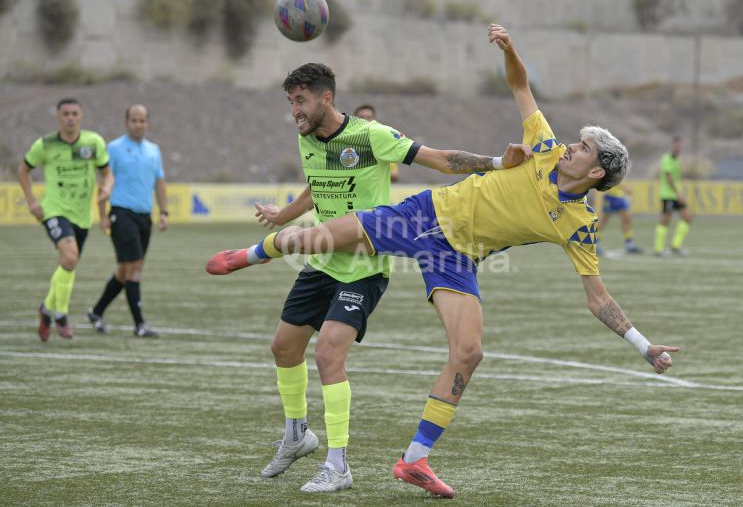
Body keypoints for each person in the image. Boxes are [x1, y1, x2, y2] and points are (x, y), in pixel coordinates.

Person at [205, 26, 680, 498]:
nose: (571, 147)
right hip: (426, 216)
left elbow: (598, 299)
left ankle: (414, 460)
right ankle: (248, 256)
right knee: (319, 239)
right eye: (576, 141)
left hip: (458, 259)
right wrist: (511, 51)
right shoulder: (543, 147)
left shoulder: (579, 225)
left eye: (583, 149)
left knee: (470, 353)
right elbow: (521, 86)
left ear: (595, 172)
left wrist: (643, 346)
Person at [207, 63, 531, 494]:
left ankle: (338, 465)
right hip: (321, 262)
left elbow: (439, 159)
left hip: (363, 268)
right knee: (283, 348)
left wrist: (495, 163)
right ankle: (296, 435)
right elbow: (315, 186)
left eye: (300, 101)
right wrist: (283, 216)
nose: (294, 111)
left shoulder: (371, 135)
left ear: (326, 98)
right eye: (290, 103)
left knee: (327, 357)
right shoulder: (306, 139)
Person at [18, 98, 114, 341]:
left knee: (69, 263)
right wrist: (32, 201)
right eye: (66, 114)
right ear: (58, 117)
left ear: (81, 116)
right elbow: (24, 169)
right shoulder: (45, 144)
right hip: (54, 209)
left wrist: (107, 188)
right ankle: (61, 314)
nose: (70, 118)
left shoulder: (93, 142)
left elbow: (107, 173)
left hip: (82, 215)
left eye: (74, 113)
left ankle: (46, 308)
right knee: (70, 256)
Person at [86, 104, 167, 338]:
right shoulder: (114, 148)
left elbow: (159, 183)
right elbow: (104, 181)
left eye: (142, 120)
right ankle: (140, 325)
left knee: (124, 270)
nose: (138, 124)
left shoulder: (154, 150)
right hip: (121, 213)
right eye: (134, 120)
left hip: (144, 217)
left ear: (148, 123)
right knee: (135, 267)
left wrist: (164, 212)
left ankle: (96, 311)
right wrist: (102, 214)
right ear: (126, 122)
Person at [654, 135, 693, 256]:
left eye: (681, 145)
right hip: (668, 195)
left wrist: (680, 192)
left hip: (676, 195)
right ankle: (658, 249)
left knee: (687, 217)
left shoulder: (677, 160)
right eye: (677, 145)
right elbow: (669, 178)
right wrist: (678, 193)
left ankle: (675, 245)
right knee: (665, 221)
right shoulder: (667, 158)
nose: (679, 147)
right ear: (673, 145)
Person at [354, 103, 399, 182]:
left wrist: (370, 171)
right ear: (353, 120)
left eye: (369, 118)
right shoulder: (346, 143)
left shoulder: (383, 145)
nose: (365, 120)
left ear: (374, 121)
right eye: (361, 117)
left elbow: (394, 176)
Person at [595, 183, 643, 255]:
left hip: (620, 197)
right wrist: (624, 187)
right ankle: (595, 245)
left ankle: (630, 245)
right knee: (602, 221)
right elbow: (614, 177)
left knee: (627, 220)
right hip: (610, 196)